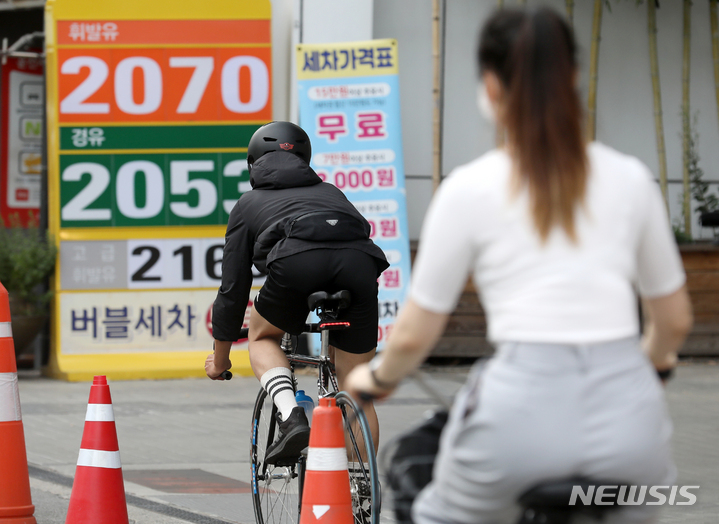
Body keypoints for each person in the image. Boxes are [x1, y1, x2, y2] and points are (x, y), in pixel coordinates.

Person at [346, 7, 693, 524]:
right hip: (631, 425)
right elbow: (675, 322)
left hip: (517, 420)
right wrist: (652, 369)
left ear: (490, 85)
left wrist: (375, 379)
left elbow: (416, 336)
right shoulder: (631, 180)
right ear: (573, 78)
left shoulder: (469, 188)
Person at [207, 121, 388, 464]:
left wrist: (220, 359)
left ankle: (291, 416)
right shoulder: (332, 192)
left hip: (296, 265)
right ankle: (363, 497)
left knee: (262, 338)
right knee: (356, 388)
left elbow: (233, 289)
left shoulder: (248, 204)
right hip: (360, 266)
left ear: (253, 162)